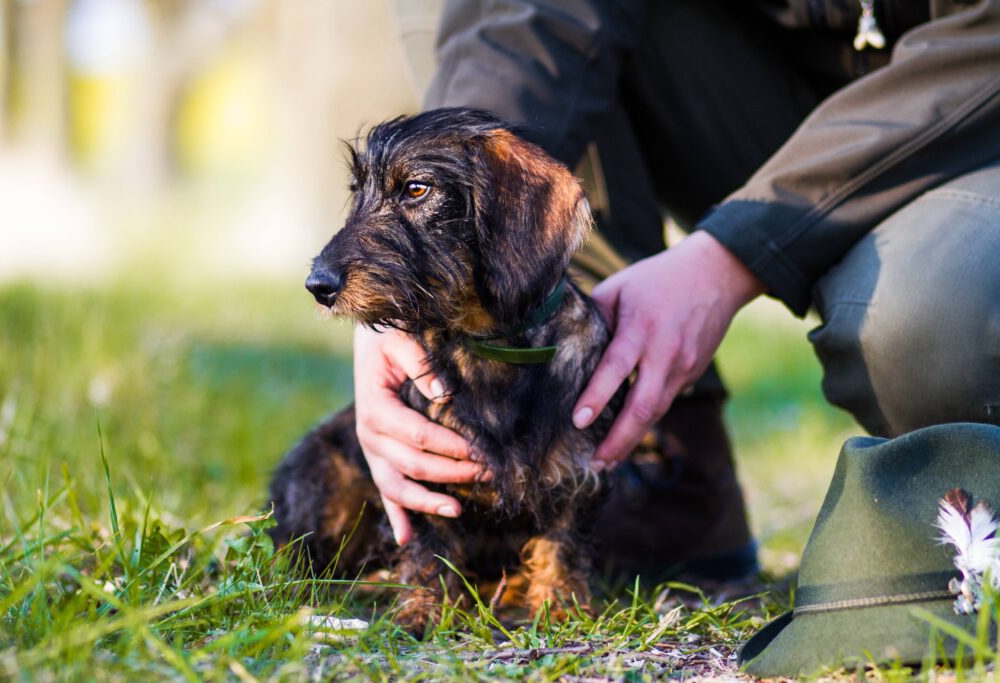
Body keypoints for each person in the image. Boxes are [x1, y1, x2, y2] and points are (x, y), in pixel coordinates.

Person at [353, 0, 1000, 580]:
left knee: (927, 330)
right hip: (759, 90)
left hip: (975, 122)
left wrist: (731, 254)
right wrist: (413, 269)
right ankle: (654, 458)